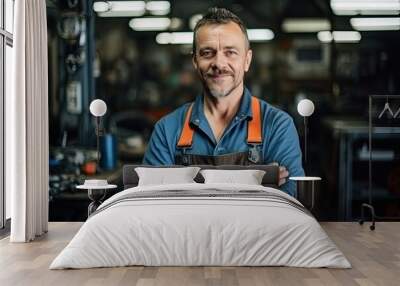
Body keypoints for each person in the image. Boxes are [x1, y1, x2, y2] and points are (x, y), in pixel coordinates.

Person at [142, 7, 304, 196]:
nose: (219, 64)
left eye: (230, 52)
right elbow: (153, 202)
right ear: (195, 61)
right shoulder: (167, 130)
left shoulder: (277, 126)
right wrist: (258, 183)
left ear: (247, 60)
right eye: (207, 53)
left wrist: (183, 186)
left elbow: (287, 204)